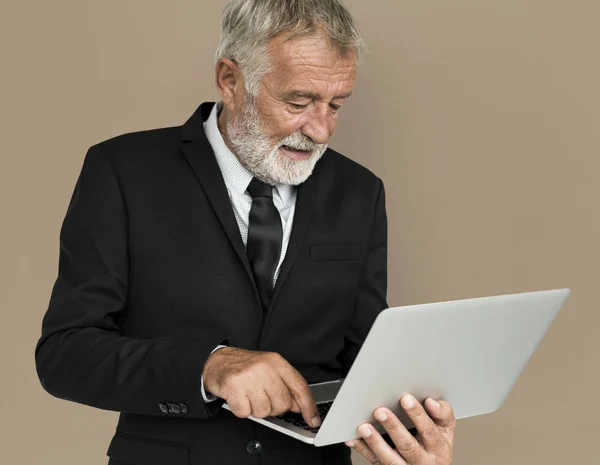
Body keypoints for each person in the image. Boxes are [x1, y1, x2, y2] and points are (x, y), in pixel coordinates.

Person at [34, 1, 456, 464]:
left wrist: (408, 434)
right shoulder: (122, 172)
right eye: (298, 102)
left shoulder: (360, 192)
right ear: (229, 80)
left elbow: (364, 364)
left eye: (336, 105)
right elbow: (65, 354)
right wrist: (208, 365)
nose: (320, 130)